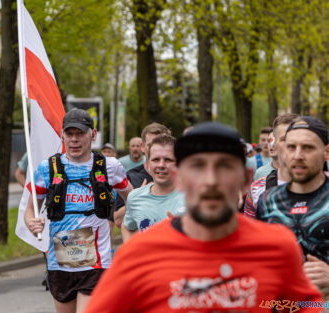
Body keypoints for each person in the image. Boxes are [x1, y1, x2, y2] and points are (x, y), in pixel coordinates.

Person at [84, 122, 322, 313]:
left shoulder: (277, 247)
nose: (210, 180)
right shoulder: (138, 255)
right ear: (178, 178)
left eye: (224, 167)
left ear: (246, 179)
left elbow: (305, 306)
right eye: (197, 167)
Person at [24, 108, 131, 313]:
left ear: (93, 134)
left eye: (80, 133)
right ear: (62, 135)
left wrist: (125, 220)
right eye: (69, 134)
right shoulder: (47, 168)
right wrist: (32, 222)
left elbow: (132, 200)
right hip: (60, 262)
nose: (74, 139)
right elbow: (30, 210)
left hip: (96, 263)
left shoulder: (109, 166)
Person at [255, 116, 329, 299]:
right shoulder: (267, 201)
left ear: (326, 152)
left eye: (308, 147)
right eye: (291, 147)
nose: (298, 155)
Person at [121, 134, 185, 242]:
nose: (161, 165)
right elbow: (127, 227)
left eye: (168, 160)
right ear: (147, 164)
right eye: (156, 159)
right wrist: (131, 253)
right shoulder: (135, 197)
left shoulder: (192, 199)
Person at [112, 123, 171, 228]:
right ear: (143, 147)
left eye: (161, 144)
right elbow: (118, 220)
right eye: (151, 145)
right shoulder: (131, 177)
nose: (156, 149)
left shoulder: (178, 177)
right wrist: (138, 198)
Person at [244, 113, 299, 217]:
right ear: (274, 144)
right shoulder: (257, 189)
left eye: (296, 138)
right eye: (284, 139)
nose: (291, 144)